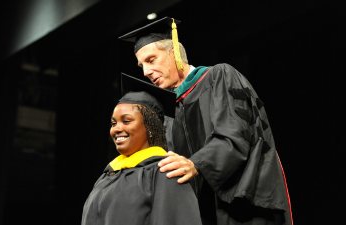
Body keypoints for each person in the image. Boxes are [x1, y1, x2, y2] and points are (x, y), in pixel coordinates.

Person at [119, 17, 293, 225]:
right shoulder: (167, 112)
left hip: (242, 207)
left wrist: (196, 164)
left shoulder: (218, 77)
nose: (146, 72)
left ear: (174, 52)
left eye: (151, 60)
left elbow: (235, 135)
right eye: (141, 66)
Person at [81, 88, 202, 225]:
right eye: (114, 123)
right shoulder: (108, 175)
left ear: (150, 126)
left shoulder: (165, 171)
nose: (117, 129)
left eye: (126, 121)